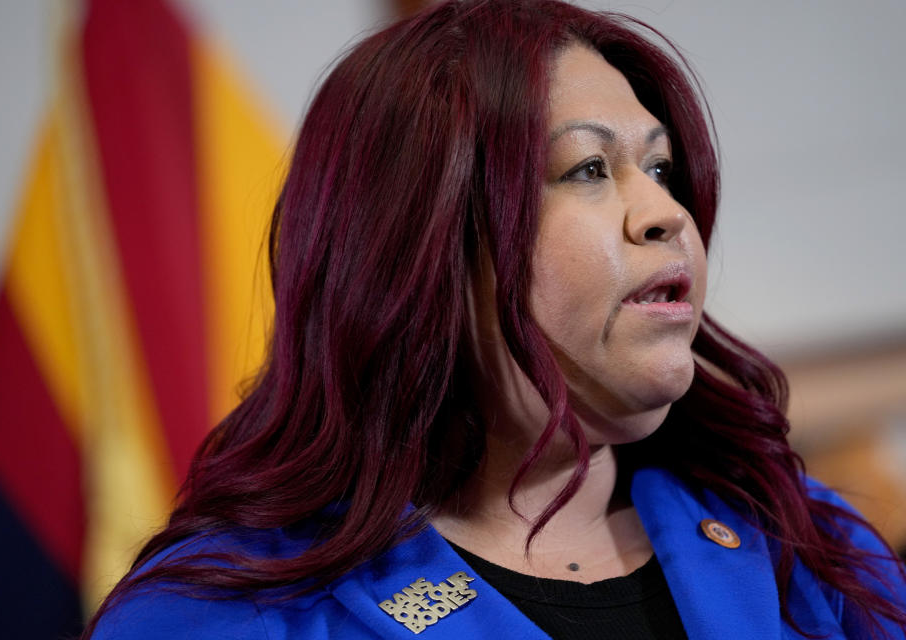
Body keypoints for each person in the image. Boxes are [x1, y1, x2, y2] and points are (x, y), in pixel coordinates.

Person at [86, 1, 906, 638]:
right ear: (416, 243)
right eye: (589, 169)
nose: (666, 212)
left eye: (660, 167)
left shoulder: (810, 545)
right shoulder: (218, 617)